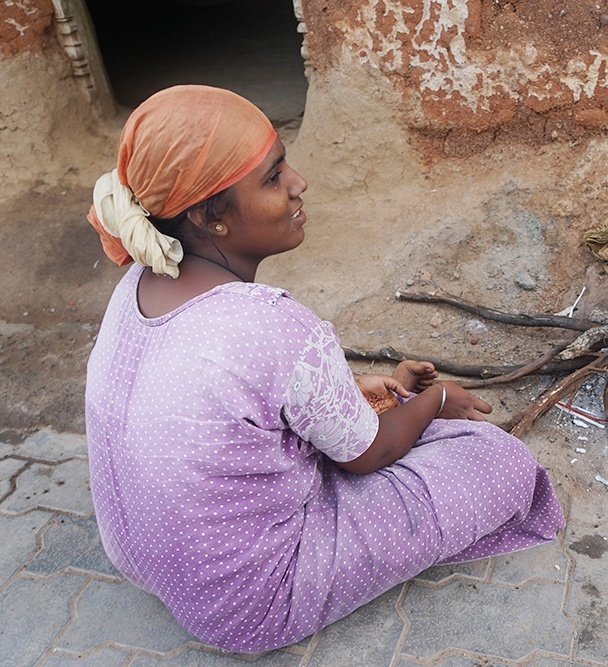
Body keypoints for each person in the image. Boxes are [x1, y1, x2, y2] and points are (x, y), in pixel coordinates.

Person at [84, 85, 565, 653]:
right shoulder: (271, 325)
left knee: (380, 421)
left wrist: (352, 394)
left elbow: (231, 403)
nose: (297, 184)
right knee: (496, 460)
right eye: (271, 177)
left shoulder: (136, 284)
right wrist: (435, 401)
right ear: (209, 218)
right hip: (244, 606)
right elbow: (369, 457)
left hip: (137, 553)